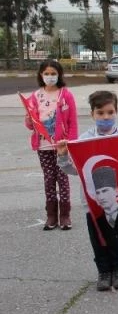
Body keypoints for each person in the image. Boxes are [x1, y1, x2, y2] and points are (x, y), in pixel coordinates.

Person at [57, 90, 118, 291]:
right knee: (98, 238)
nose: (106, 117)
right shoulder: (84, 140)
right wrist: (63, 156)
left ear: (116, 112)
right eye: (100, 113)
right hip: (93, 203)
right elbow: (75, 170)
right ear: (92, 114)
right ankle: (104, 271)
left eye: (110, 112)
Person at [23, 60, 78, 230]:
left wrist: (70, 142)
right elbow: (31, 125)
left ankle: (65, 215)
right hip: (43, 145)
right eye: (46, 73)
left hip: (62, 146)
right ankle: (51, 215)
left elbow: (72, 121)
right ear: (41, 75)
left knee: (62, 178)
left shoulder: (66, 95)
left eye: (53, 73)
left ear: (59, 75)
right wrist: (28, 120)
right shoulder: (35, 96)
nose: (50, 76)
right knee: (49, 179)